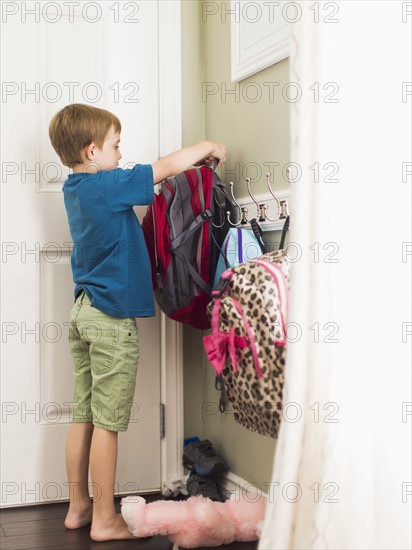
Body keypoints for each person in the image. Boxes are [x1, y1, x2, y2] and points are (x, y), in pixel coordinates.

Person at [48, 103, 227, 541]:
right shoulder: (108, 185)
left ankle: (78, 507)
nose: (120, 152)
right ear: (92, 152)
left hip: (84, 311)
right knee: (108, 421)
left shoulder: (75, 190)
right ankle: (106, 520)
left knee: (84, 414)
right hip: (111, 319)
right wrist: (207, 145)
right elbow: (162, 168)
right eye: (115, 145)